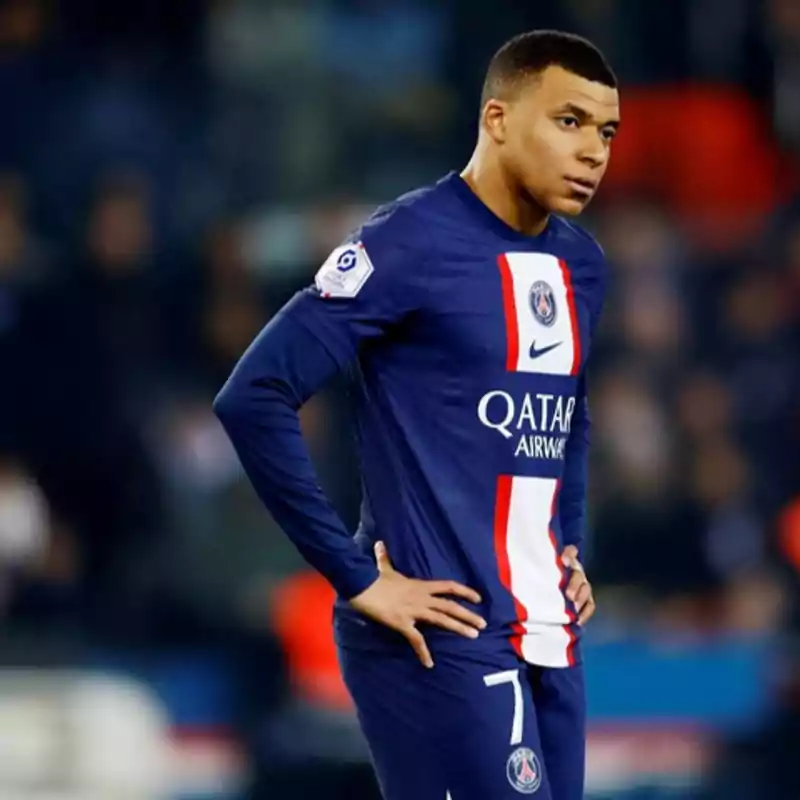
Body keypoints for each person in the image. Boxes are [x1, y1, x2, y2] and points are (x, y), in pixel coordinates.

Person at [213, 29, 619, 799]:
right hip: (440, 630)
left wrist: (570, 546)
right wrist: (355, 576)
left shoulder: (582, 264)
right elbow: (254, 394)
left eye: (606, 131)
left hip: (548, 630)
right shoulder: (408, 240)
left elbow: (567, 414)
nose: (594, 150)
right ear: (497, 119)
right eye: (569, 121)